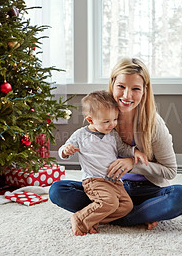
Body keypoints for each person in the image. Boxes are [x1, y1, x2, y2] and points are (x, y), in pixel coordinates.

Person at [49, 57, 182, 230]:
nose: (127, 95)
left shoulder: (154, 124)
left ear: (144, 91)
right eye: (121, 87)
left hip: (147, 191)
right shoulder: (103, 115)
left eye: (135, 89)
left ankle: (105, 216)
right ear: (112, 84)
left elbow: (170, 172)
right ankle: (140, 216)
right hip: (107, 188)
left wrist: (132, 164)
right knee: (58, 190)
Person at [59, 90, 148, 236]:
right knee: (110, 203)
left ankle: (94, 219)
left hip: (115, 181)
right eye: (106, 121)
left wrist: (134, 152)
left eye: (115, 119)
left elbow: (123, 149)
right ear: (90, 120)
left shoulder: (112, 134)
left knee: (127, 206)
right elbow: (63, 151)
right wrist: (65, 150)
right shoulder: (81, 135)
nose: (112, 124)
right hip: (95, 180)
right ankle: (80, 219)